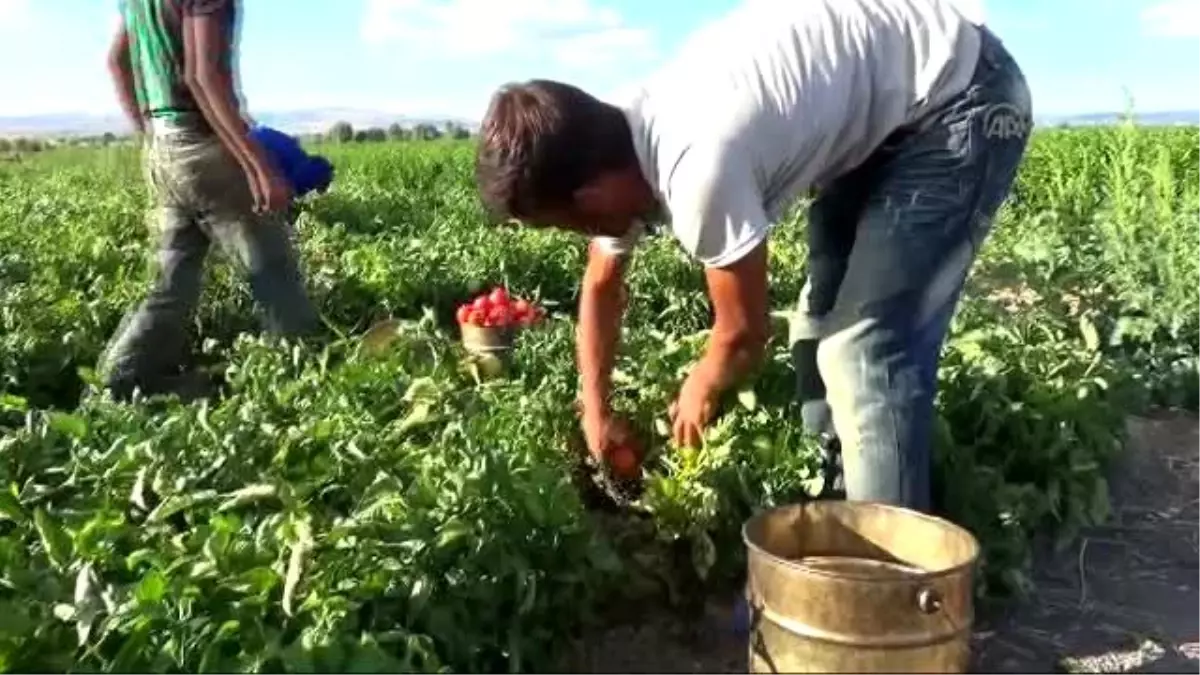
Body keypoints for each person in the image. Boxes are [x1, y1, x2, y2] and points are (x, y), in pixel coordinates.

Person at [473, 0, 1033, 512]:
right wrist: (594, 409)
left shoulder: (697, 166)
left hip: (960, 99)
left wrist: (701, 387)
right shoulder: (609, 141)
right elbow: (601, 287)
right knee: (817, 330)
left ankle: (890, 582)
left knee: (866, 353)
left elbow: (742, 333)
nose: (580, 234)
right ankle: (838, 500)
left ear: (588, 197)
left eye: (566, 223)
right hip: (887, 117)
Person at [100, 0, 322, 401]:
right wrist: (259, 166)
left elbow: (117, 62)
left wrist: (152, 137)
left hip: (164, 148)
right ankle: (301, 386)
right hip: (205, 148)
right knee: (273, 271)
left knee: (172, 279)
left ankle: (124, 377)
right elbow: (202, 76)